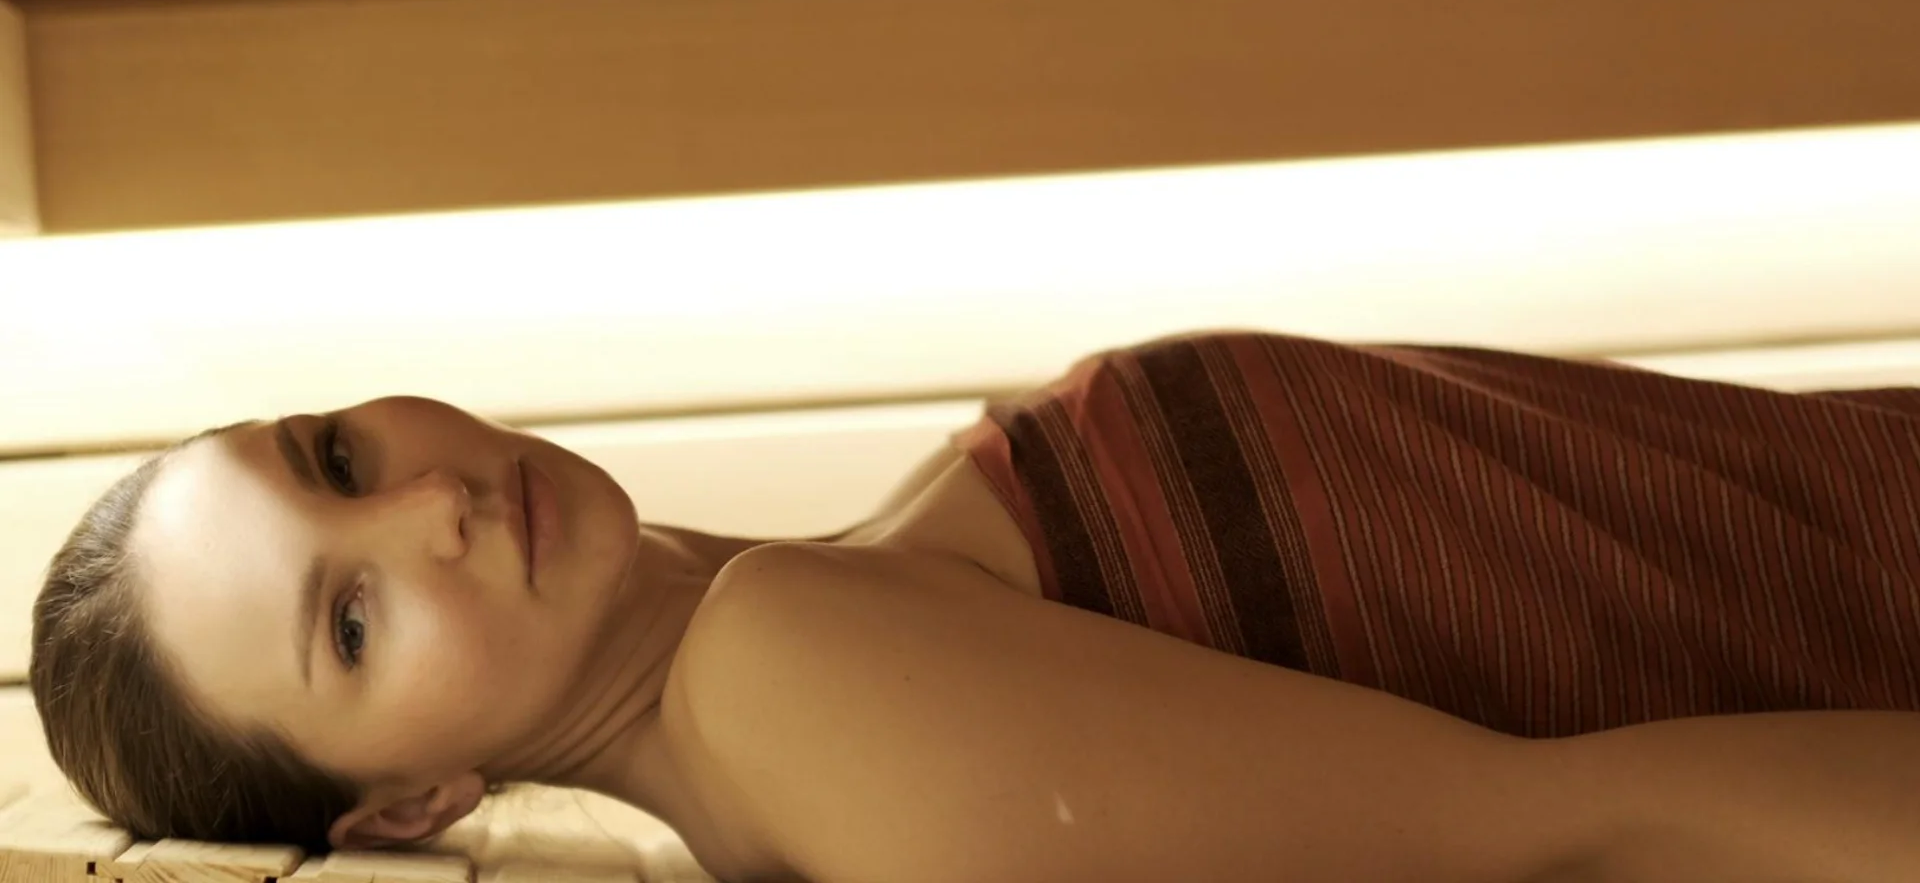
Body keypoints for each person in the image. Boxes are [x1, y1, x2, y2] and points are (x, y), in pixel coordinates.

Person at [29, 329, 1920, 883]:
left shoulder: (830, 619)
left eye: (335, 456)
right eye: (351, 625)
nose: (430, 506)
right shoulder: (785, 679)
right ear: (409, 807)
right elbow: (1585, 837)